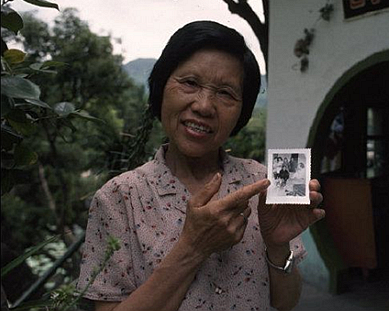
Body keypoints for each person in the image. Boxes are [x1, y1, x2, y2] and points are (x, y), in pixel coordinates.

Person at [76, 21, 325, 311]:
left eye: (226, 93)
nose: (204, 106)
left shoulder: (263, 184)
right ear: (161, 88)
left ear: (241, 111)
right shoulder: (118, 198)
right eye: (190, 83)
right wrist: (193, 248)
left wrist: (278, 245)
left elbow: (286, 302)